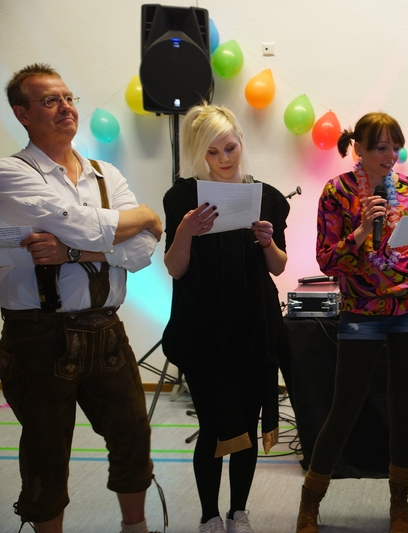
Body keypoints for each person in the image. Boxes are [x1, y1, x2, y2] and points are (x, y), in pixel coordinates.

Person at [0, 64, 163, 533]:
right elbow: (84, 224)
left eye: (69, 98)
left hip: (106, 328)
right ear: (22, 114)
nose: (66, 108)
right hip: (38, 335)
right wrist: (143, 217)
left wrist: (72, 252)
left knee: (133, 435)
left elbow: (141, 253)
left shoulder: (105, 173)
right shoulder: (11, 173)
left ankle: (135, 528)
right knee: (47, 451)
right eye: (50, 101)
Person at [294, 111, 408, 533]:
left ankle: (400, 505)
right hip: (361, 310)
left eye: (395, 146)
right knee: (345, 407)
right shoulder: (337, 191)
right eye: (381, 147)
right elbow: (328, 261)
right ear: (358, 149)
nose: (390, 155)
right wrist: (362, 229)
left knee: (403, 406)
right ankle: (310, 502)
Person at [161, 104, 289, 533]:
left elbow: (278, 267)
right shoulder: (182, 197)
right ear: (198, 153)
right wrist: (185, 232)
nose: (224, 159)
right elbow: (175, 268)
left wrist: (268, 242)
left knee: (248, 426)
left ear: (241, 143)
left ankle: (239, 512)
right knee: (213, 425)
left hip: (255, 325)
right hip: (203, 329)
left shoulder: (266, 196)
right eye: (212, 152)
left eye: (230, 148)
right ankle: (209, 515)